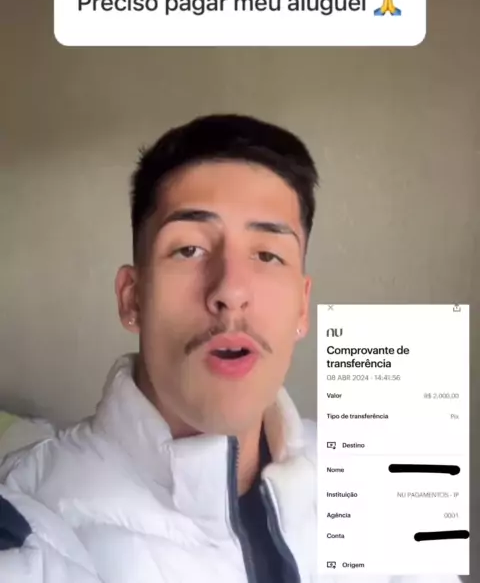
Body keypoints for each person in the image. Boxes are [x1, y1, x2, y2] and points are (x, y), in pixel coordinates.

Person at [0, 115, 462, 583]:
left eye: (268, 255)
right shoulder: (28, 521)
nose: (231, 290)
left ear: (302, 307)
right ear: (132, 298)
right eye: (189, 250)